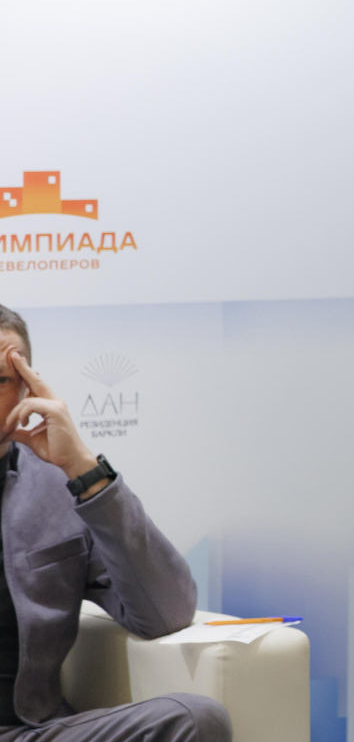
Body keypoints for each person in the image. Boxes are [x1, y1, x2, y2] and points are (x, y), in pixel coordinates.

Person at [0, 304, 229, 742]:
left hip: (28, 731)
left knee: (196, 719)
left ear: (28, 389)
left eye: (0, 380)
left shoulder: (59, 488)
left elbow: (166, 613)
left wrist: (86, 471)